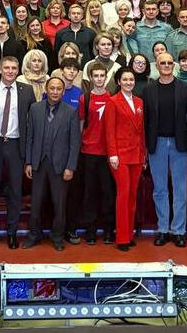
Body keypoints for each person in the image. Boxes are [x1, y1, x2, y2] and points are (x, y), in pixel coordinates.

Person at [0, 56, 36, 249]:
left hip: (16, 144)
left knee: (15, 191)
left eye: (13, 68)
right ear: (0, 70)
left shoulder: (27, 90)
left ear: (18, 70)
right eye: (7, 68)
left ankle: (12, 232)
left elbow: (32, 122)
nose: (10, 71)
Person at [23, 77, 81, 250]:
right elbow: (29, 137)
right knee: (36, 203)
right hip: (38, 163)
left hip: (60, 166)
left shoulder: (71, 112)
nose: (55, 92)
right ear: (46, 90)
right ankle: (34, 235)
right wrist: (28, 162)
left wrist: (70, 167)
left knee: (59, 204)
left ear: (63, 92)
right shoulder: (35, 109)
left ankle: (57, 237)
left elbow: (75, 142)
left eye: (58, 89)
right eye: (52, 88)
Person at [142, 53, 187, 248]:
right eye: (162, 63)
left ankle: (178, 230)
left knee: (180, 189)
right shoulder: (148, 89)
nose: (166, 65)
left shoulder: (184, 88)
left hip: (179, 143)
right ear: (157, 65)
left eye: (169, 63)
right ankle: (163, 229)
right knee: (160, 189)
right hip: (157, 144)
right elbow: (145, 120)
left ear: (174, 65)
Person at [104, 68, 147, 251]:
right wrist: (112, 154)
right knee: (123, 194)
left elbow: (141, 130)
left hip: (136, 154)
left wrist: (143, 154)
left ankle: (129, 234)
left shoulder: (139, 102)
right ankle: (121, 238)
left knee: (132, 195)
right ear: (118, 82)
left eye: (131, 79)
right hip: (120, 155)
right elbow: (109, 130)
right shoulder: (112, 102)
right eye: (125, 79)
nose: (129, 82)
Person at [75, 62, 117, 245]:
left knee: (108, 193)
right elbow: (81, 125)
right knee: (89, 193)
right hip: (89, 152)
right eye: (96, 76)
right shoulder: (84, 99)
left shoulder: (112, 98)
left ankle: (108, 229)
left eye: (102, 76)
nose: (99, 79)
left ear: (106, 77)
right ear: (91, 78)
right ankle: (90, 230)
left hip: (107, 153)